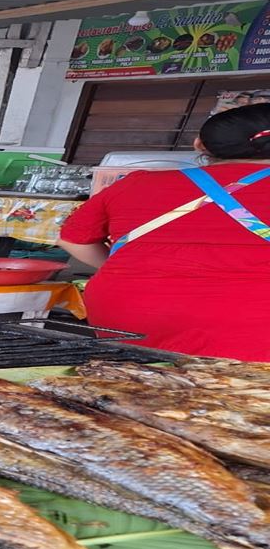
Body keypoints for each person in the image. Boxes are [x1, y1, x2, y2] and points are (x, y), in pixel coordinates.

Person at [57, 103, 270, 360]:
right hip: (255, 318)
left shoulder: (138, 183)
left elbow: (72, 240)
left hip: (130, 308)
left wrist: (125, 267)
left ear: (199, 145)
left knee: (140, 387)